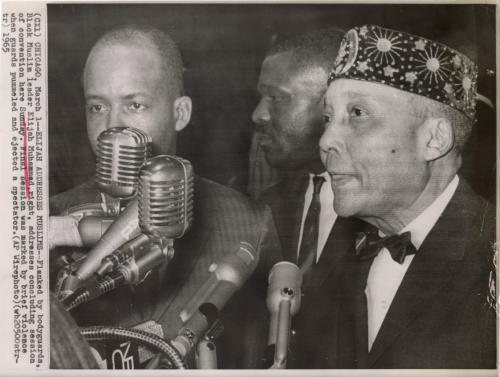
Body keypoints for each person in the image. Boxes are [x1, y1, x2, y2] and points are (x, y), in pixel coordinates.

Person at [49, 25, 279, 369]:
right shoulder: (51, 219)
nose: (113, 127)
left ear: (180, 113)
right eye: (97, 107)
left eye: (135, 105)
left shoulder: (247, 222)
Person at [318, 24, 496, 368]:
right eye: (327, 118)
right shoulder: (336, 258)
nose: (325, 140)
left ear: (434, 140)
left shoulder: (490, 255)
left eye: (357, 114)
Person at [252, 29, 370, 368]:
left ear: (331, 105)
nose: (258, 114)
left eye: (276, 97)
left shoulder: (385, 216)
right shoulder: (267, 206)